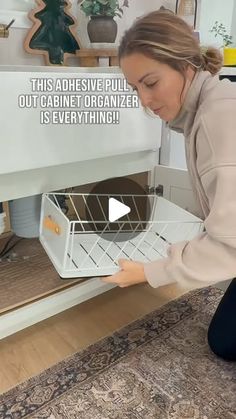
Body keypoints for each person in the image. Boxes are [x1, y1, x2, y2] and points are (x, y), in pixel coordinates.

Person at [102, 10, 236, 362]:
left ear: (186, 64)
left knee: (224, 343)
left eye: (150, 82)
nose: (143, 100)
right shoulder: (209, 105)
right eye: (135, 88)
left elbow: (232, 243)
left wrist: (149, 271)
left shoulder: (216, 119)